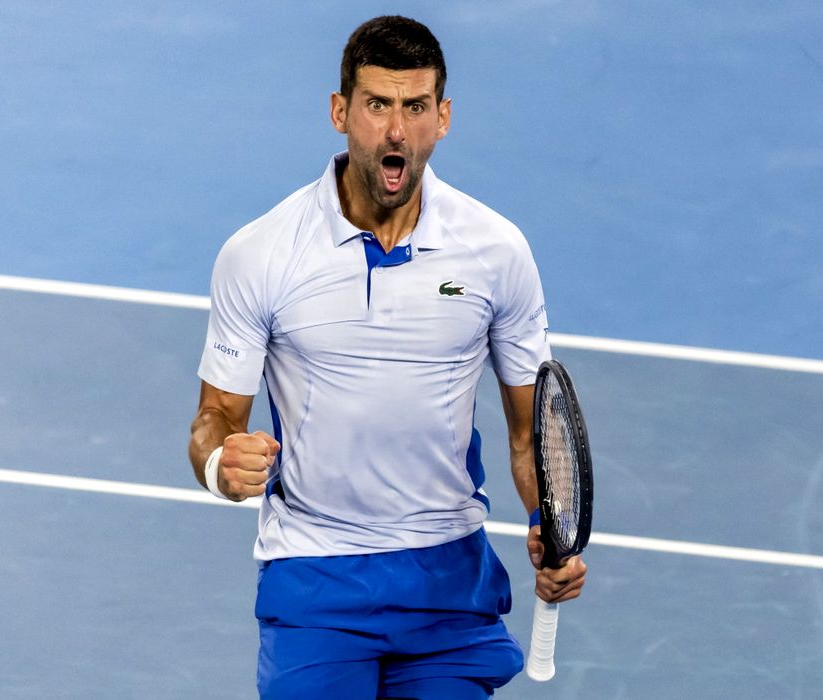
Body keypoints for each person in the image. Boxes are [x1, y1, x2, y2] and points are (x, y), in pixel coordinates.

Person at [188, 15, 587, 699]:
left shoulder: (496, 251)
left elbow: (531, 439)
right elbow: (214, 418)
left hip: (448, 583)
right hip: (316, 577)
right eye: (377, 105)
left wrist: (545, 523)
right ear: (340, 111)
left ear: (443, 117)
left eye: (415, 107)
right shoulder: (260, 254)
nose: (396, 130)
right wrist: (222, 463)